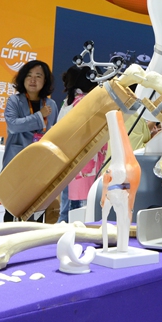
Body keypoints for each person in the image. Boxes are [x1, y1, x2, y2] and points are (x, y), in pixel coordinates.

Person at [2, 60, 59, 221]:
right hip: (17, 160)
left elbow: (54, 132)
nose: (33, 80)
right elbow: (13, 126)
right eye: (29, 75)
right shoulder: (14, 101)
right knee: (12, 208)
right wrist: (39, 116)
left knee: (37, 209)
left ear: (45, 81)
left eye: (38, 76)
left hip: (40, 163)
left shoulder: (51, 104)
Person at [57, 65, 101, 222]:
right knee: (79, 217)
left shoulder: (69, 101)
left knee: (66, 213)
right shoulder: (86, 103)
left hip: (69, 167)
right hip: (83, 167)